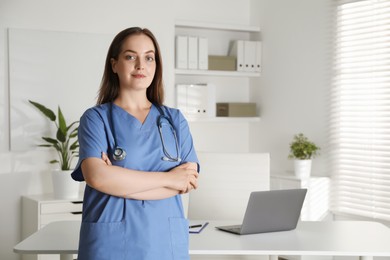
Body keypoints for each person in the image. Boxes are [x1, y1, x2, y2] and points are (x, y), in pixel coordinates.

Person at [71, 27, 199, 260]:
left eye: (149, 57)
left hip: (164, 241)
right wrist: (170, 179)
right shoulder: (96, 118)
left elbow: (188, 181)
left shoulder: (174, 120)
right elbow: (97, 177)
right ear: (114, 64)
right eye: (131, 57)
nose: (141, 65)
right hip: (111, 244)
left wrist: (119, 181)